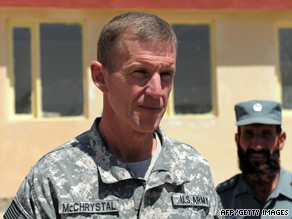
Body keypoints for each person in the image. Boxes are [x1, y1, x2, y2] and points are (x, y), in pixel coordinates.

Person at [4, 12, 222, 218]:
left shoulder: (193, 169)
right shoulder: (54, 178)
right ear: (100, 77)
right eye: (140, 72)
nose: (157, 90)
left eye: (166, 74)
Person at [216, 100, 292, 218]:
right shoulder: (222, 200)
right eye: (248, 134)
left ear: (281, 140)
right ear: (237, 140)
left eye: (266, 134)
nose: (257, 146)